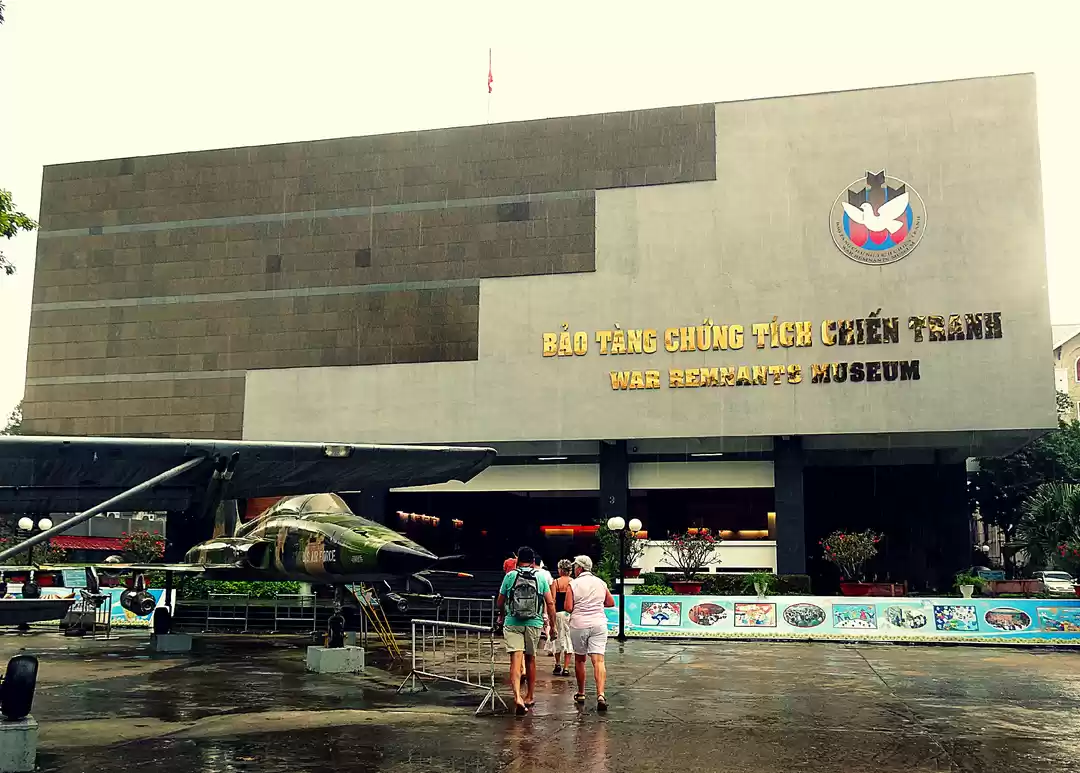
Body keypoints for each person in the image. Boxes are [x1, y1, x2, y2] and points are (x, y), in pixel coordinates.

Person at [496, 546, 557, 715]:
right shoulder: (540, 577)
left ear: (517, 560)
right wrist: (553, 626)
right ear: (533, 561)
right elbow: (550, 603)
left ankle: (517, 697)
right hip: (534, 623)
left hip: (512, 622)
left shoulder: (510, 576)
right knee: (530, 659)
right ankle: (529, 695)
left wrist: (501, 615)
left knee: (516, 659)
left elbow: (500, 601)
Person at [565, 554, 615, 711]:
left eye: (575, 567)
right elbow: (610, 602)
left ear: (579, 568)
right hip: (599, 624)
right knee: (599, 661)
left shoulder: (573, 584)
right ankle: (600, 694)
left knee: (580, 660)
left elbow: (568, 607)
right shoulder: (601, 583)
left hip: (579, 624)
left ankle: (581, 693)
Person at [547, 559, 574, 675]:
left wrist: (549, 616)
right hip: (570, 614)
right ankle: (566, 667)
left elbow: (552, 601)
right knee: (569, 639)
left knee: (556, 638)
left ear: (560, 569)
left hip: (558, 614)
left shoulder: (555, 582)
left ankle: (557, 664)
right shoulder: (573, 582)